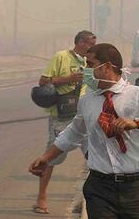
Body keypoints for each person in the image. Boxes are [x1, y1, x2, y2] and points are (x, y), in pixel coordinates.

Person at [29, 43, 139, 219]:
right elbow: (74, 131)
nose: (86, 69)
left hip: (135, 189)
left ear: (107, 67)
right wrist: (46, 157)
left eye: (90, 64)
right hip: (99, 188)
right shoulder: (87, 101)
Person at [33, 30, 96, 214]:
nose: (92, 48)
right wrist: (68, 79)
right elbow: (44, 81)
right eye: (90, 44)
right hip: (61, 116)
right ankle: (41, 197)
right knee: (51, 156)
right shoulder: (61, 57)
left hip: (83, 115)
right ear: (80, 43)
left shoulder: (89, 62)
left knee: (93, 155)